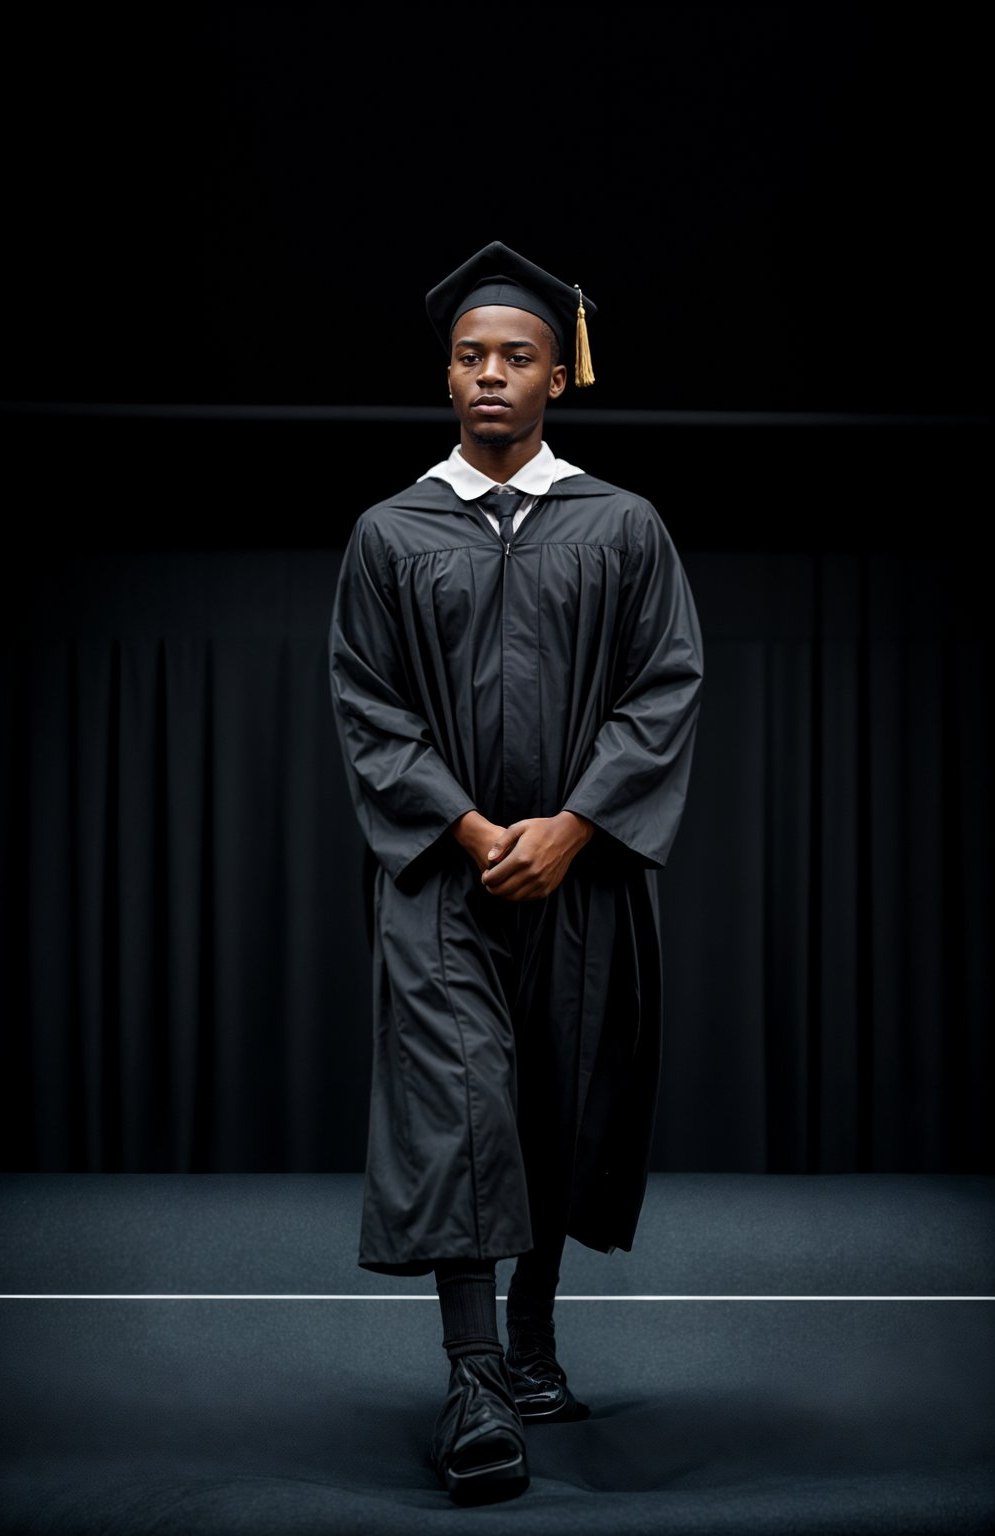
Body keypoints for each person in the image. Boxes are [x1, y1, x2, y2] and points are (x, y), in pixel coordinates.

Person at [328, 240, 703, 1505]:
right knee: (463, 1108)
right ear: (446, 375)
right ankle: (476, 1379)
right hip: (443, 881)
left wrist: (575, 826)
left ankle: (535, 1334)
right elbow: (369, 709)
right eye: (469, 356)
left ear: (559, 376)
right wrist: (475, 829)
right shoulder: (390, 534)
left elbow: (664, 688)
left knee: (554, 1104)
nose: (489, 375)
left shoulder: (623, 525)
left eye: (517, 356)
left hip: (582, 880)